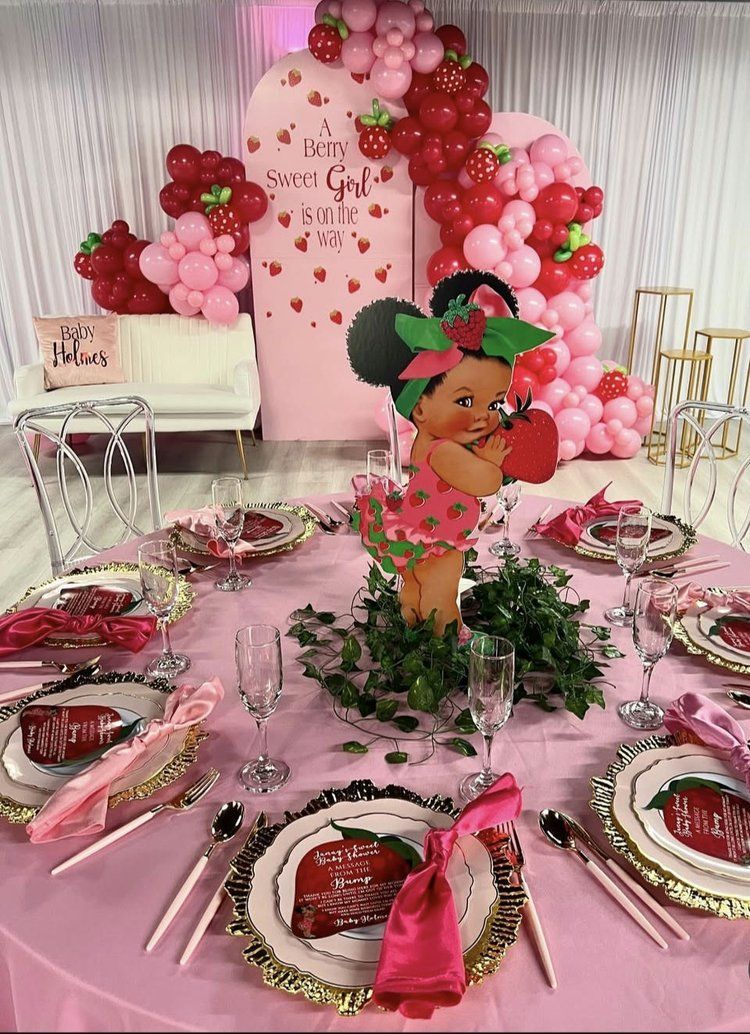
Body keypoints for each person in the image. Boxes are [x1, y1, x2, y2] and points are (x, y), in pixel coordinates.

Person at [347, 270, 554, 634]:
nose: (482, 417)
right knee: (442, 590)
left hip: (419, 534)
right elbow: (485, 482)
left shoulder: (433, 443)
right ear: (421, 409)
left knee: (417, 584)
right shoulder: (443, 452)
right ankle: (444, 637)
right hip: (437, 542)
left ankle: (410, 616)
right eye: (465, 401)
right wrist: (492, 463)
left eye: (494, 404)